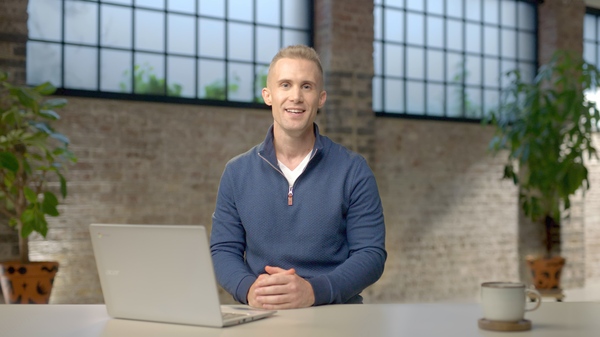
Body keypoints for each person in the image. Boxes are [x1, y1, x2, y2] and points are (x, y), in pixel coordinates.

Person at [210, 44, 386, 310]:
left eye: (307, 86)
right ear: (268, 95)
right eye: (285, 85)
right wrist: (248, 289)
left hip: (335, 317)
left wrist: (313, 291)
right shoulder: (236, 173)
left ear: (321, 98)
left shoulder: (353, 170)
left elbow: (371, 254)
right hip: (263, 315)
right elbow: (223, 250)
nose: (296, 97)